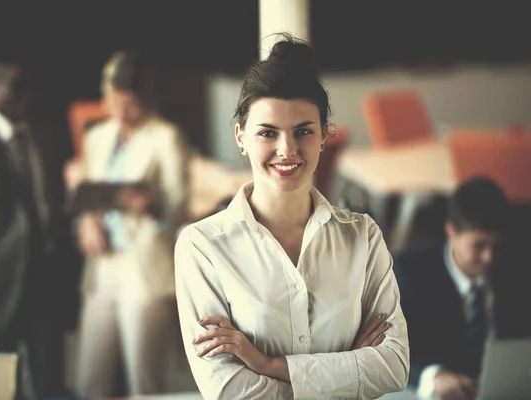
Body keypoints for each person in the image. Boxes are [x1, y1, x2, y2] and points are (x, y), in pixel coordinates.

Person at [174, 34, 409, 399]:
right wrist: (348, 367)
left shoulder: (363, 237)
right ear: (241, 137)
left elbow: (393, 367)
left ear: (323, 137)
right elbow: (227, 389)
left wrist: (268, 364)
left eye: (303, 131)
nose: (287, 150)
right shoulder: (202, 247)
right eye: (268, 133)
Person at [71, 48, 189, 397]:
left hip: (144, 269)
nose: (122, 113)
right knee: (90, 378)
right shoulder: (97, 137)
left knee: (144, 381)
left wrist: (152, 205)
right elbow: (89, 196)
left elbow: (177, 206)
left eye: (132, 104)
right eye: (115, 102)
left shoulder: (166, 137)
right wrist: (88, 222)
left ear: (148, 100)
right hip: (103, 266)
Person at [0, 57, 63, 400]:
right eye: (16, 87)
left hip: (43, 271)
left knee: (45, 370)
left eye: (29, 88)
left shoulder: (44, 134)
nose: (26, 97)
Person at [393, 177, 531, 400]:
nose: (489, 257)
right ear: (451, 232)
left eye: (497, 245)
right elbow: (386, 348)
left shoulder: (517, 265)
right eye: (479, 246)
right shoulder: (409, 274)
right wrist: (433, 376)